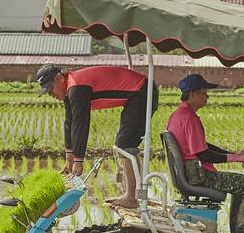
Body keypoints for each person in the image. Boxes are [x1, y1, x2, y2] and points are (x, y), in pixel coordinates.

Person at [36, 63, 158, 208]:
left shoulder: (77, 86)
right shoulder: (70, 88)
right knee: (123, 145)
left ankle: (132, 198)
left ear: (59, 78)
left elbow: (81, 124)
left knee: (125, 144)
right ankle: (131, 194)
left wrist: (79, 161)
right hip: (137, 94)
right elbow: (70, 123)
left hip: (143, 91)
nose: (51, 94)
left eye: (50, 89)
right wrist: (69, 160)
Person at [166, 73, 244, 233]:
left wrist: (234, 154)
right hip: (200, 176)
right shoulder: (189, 118)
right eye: (204, 92)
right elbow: (203, 154)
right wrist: (234, 158)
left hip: (192, 173)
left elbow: (204, 145)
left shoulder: (178, 115)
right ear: (193, 94)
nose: (207, 96)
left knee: (241, 184)